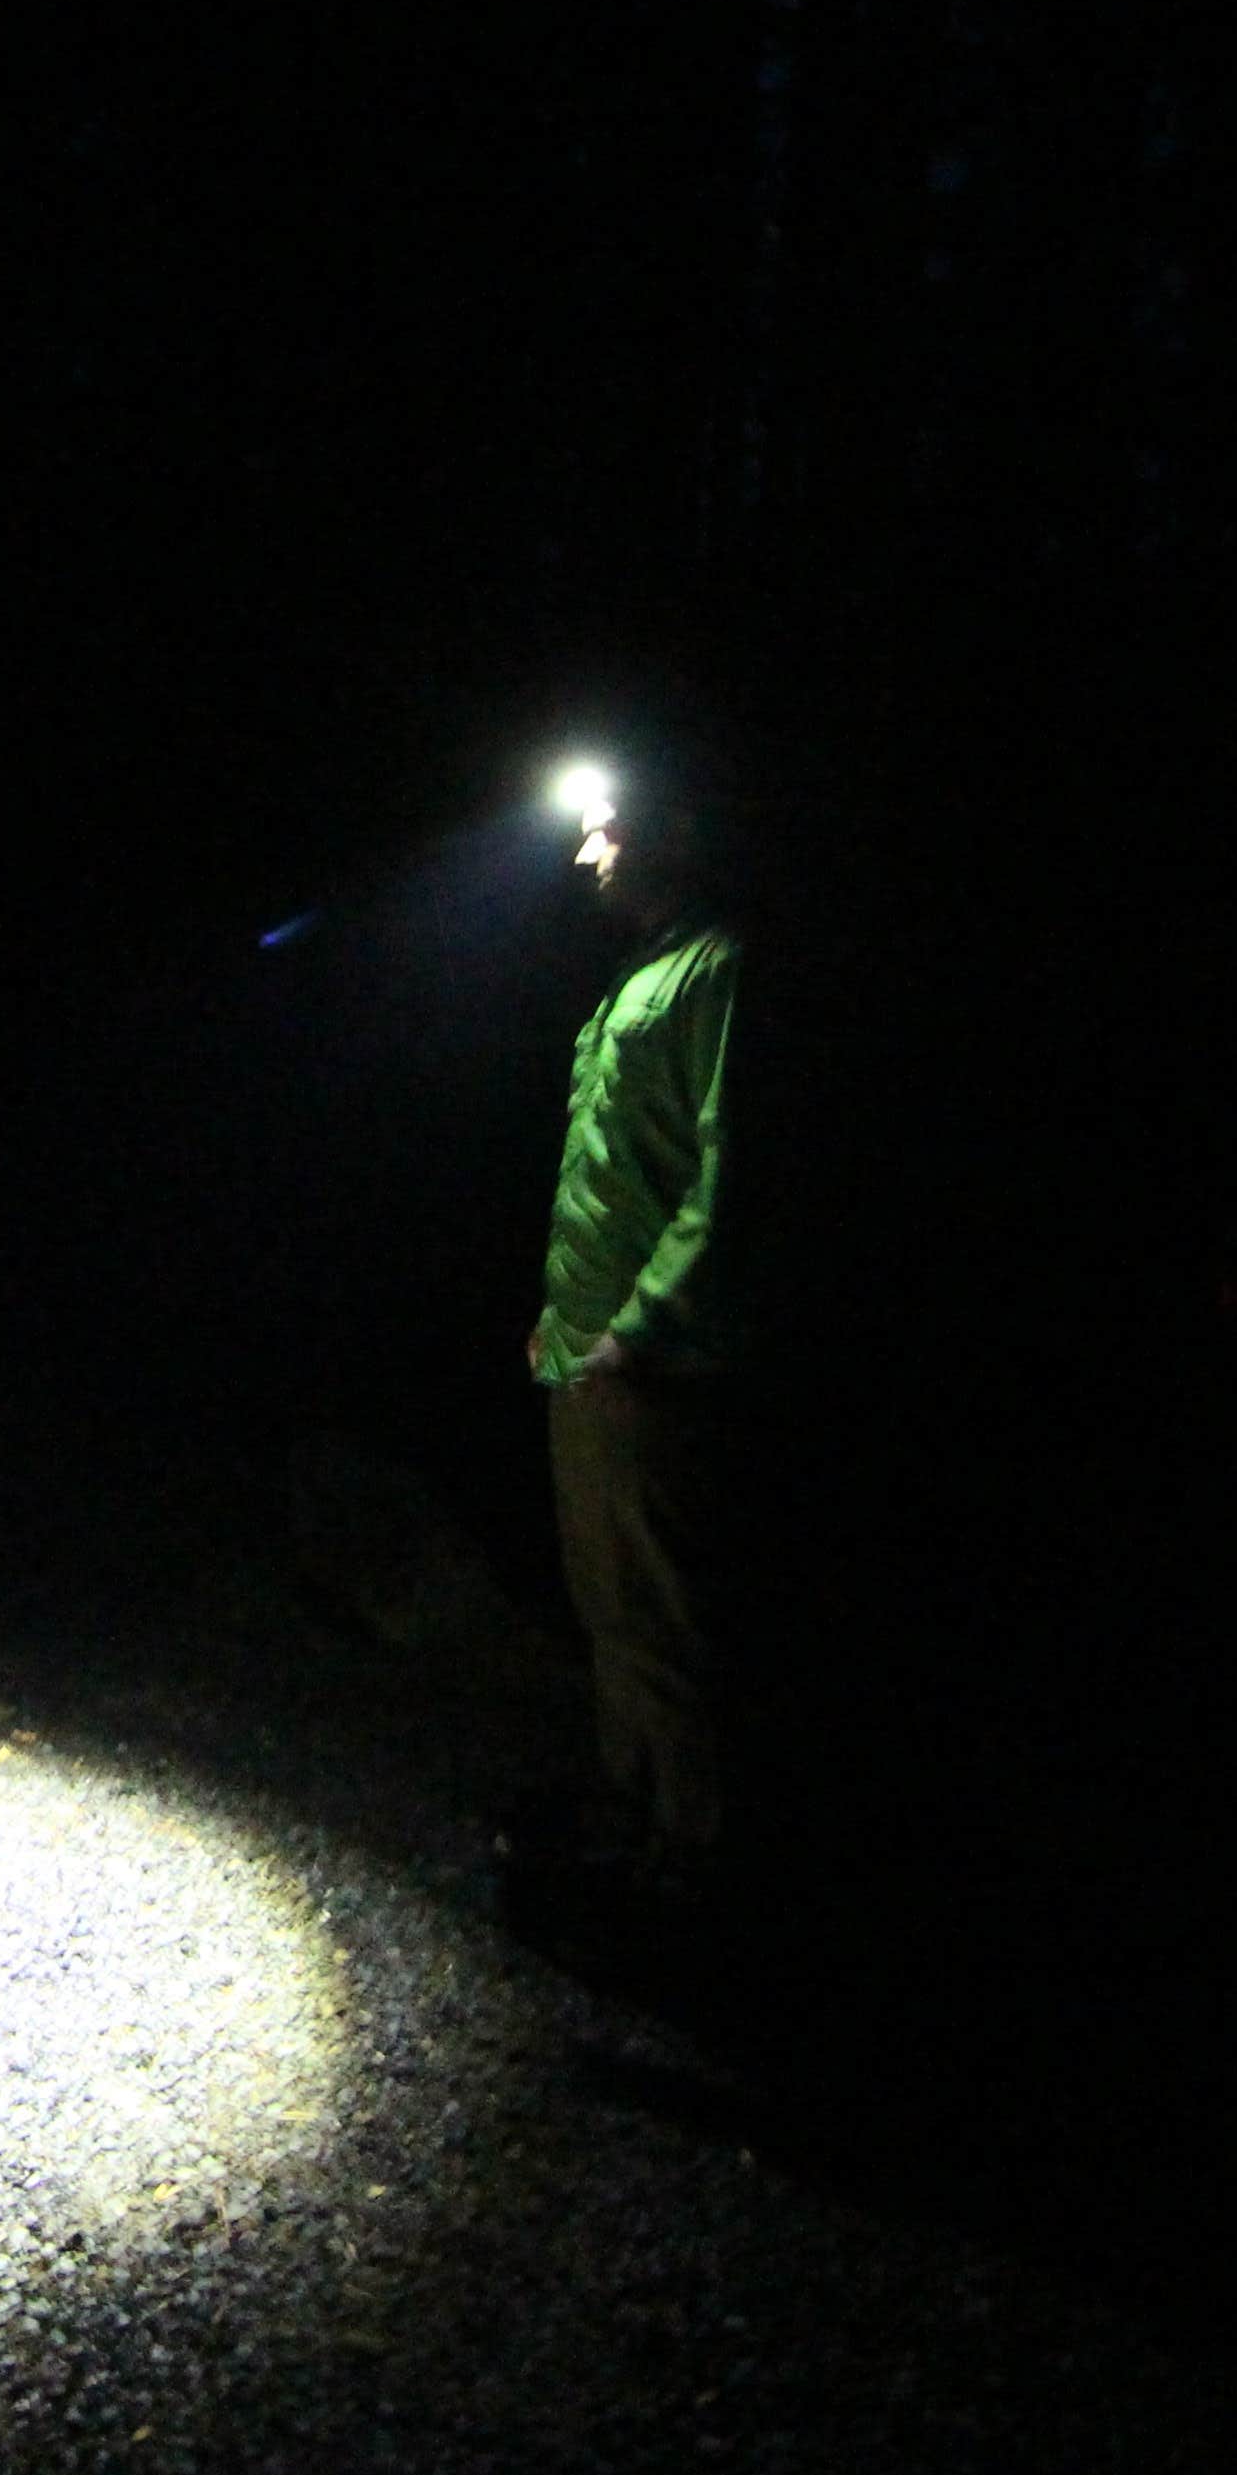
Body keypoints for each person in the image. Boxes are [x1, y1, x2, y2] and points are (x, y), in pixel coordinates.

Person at [519, 775, 741, 1910]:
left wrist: (641, 1331)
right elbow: (604, 1174)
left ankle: (693, 1863)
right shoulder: (635, 978)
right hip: (585, 1353)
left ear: (677, 832)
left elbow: (729, 1177)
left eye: (609, 829)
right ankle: (633, 1822)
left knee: (664, 1620)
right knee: (607, 1606)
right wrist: (563, 1321)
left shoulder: (720, 972)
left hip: (649, 1367)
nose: (585, 853)